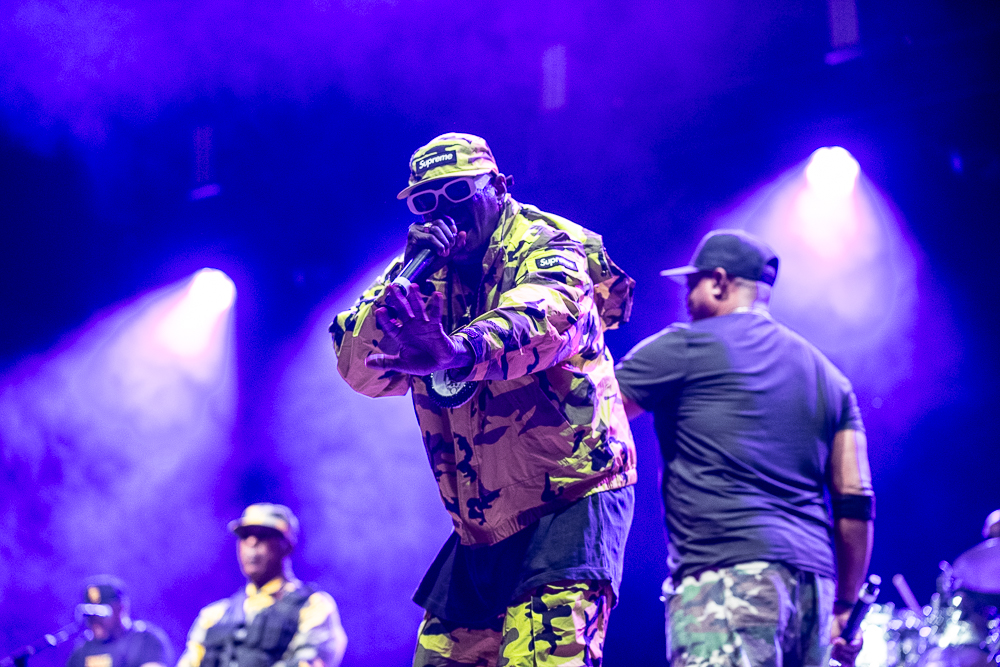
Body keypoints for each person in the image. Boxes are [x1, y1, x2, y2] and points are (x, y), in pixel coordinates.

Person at [330, 132, 637, 666]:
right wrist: (408, 276)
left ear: (499, 187)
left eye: (458, 193)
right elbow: (359, 368)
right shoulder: (422, 275)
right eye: (427, 201)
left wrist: (455, 350)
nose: (444, 211)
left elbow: (546, 316)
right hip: (483, 519)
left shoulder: (547, 245)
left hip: (570, 494)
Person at [614, 230, 874, 667]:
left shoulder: (685, 346)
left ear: (719, 281)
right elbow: (856, 497)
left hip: (727, 579)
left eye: (692, 284)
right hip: (814, 589)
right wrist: (845, 606)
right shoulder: (831, 379)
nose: (687, 299)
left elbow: (590, 413)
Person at [176, 503, 347, 667]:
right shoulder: (214, 615)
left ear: (287, 545)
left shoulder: (313, 606)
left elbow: (312, 661)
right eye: (244, 536)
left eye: (263, 535)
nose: (252, 543)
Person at [66, 576, 172, 667]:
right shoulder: (81, 651)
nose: (95, 621)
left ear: (122, 608)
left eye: (102, 614)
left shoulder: (145, 640)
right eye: (90, 615)